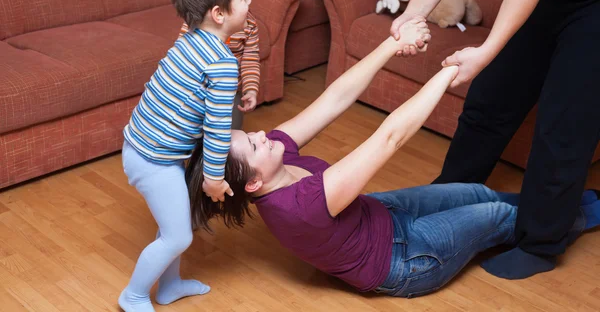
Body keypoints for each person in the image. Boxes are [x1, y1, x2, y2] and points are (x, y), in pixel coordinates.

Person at [184, 17, 600, 298]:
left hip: (381, 216)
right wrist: (450, 74)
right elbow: (390, 138)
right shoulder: (299, 206)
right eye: (253, 144)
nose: (261, 134)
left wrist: (392, 44)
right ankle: (583, 214)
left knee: (475, 190)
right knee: (495, 215)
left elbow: (335, 99)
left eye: (249, 132)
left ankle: (565, 206)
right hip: (404, 261)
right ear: (253, 183)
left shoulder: (272, 155)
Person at [389, 0, 600, 280]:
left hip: (594, 4)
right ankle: (446, 198)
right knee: (489, 101)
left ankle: (540, 243)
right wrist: (414, 13)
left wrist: (486, 51)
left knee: (564, 125)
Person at [119, 0, 252, 311]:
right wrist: (212, 178)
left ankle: (169, 285)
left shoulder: (191, 39)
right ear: (219, 13)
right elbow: (217, 128)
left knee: (176, 226)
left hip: (144, 147)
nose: (250, 2)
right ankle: (132, 295)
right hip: (154, 160)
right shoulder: (222, 64)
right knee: (177, 236)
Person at [180, 0, 261, 130]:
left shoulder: (250, 26)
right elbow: (184, 55)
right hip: (199, 92)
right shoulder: (195, 22)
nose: (249, 3)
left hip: (231, 93)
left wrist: (250, 89)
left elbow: (250, 61)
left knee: (229, 135)